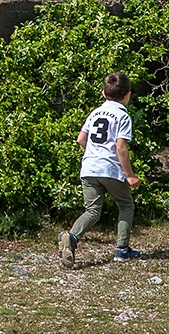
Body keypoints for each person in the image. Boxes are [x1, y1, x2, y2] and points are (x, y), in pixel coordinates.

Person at [59, 71, 141, 268]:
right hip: (110, 168)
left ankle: (71, 236)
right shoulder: (122, 115)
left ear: (103, 94)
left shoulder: (95, 113)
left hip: (89, 167)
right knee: (126, 205)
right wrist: (129, 175)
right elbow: (121, 147)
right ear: (128, 94)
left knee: (93, 210)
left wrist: (94, 153)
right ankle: (122, 250)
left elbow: (81, 139)